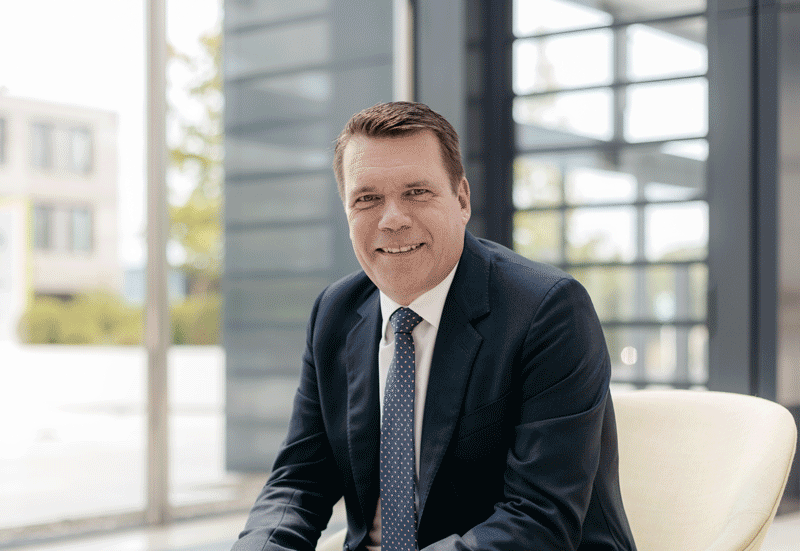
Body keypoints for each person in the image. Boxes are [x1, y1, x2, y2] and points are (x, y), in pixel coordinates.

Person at [232, 102, 637, 551]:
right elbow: (297, 482)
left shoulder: (549, 311)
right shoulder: (334, 313)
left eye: (416, 192)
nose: (392, 219)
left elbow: (540, 519)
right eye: (367, 199)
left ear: (462, 200)